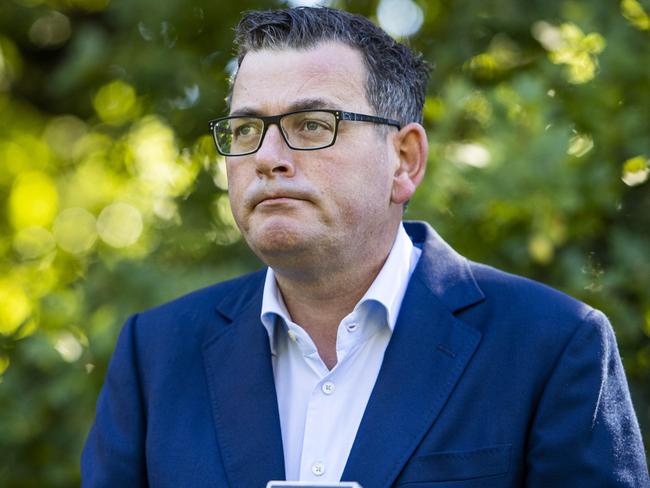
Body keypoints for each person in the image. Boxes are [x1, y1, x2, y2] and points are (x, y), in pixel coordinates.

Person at [81, 6, 648, 487]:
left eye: (311, 124)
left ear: (404, 160)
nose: (267, 156)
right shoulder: (154, 356)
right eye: (246, 129)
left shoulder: (552, 345)